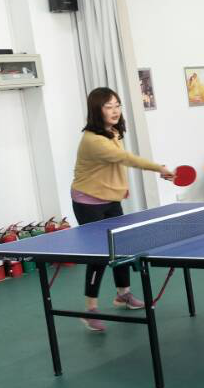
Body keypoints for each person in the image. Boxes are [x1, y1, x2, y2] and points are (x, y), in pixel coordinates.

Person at [71, 87, 174, 332]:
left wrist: (120, 188)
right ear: (97, 110)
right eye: (109, 107)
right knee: (99, 256)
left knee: (122, 248)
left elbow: (115, 165)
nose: (115, 110)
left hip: (109, 199)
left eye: (117, 105)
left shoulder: (113, 132)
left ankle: (123, 294)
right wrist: (159, 168)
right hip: (88, 202)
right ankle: (90, 310)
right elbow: (126, 159)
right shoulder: (93, 140)